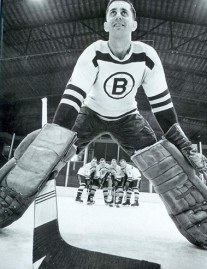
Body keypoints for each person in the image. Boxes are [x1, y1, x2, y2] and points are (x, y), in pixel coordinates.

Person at [1, 0, 207, 249]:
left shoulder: (148, 57)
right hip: (91, 114)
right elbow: (72, 99)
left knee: (165, 162)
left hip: (129, 118)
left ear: (134, 23)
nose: (118, 16)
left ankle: (198, 217)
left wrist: (184, 146)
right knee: (44, 154)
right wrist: (51, 145)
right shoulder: (93, 52)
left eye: (124, 12)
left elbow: (163, 108)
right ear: (106, 24)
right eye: (113, 12)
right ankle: (7, 199)